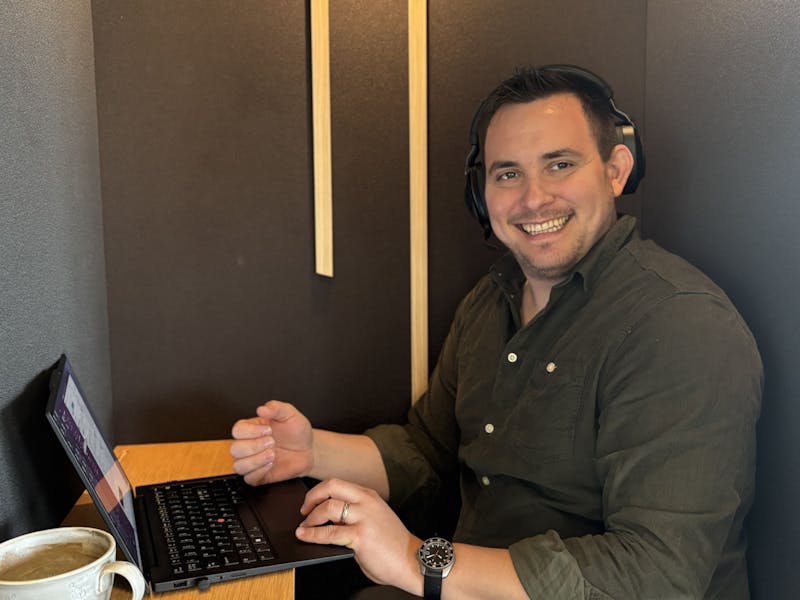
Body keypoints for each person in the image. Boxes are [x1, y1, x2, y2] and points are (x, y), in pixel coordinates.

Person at [230, 65, 762, 599]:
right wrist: (310, 452)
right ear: (481, 194)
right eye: (508, 173)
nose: (533, 198)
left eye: (560, 164)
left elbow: (655, 576)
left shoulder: (680, 325)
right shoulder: (490, 301)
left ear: (616, 170)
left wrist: (420, 561)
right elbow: (428, 451)